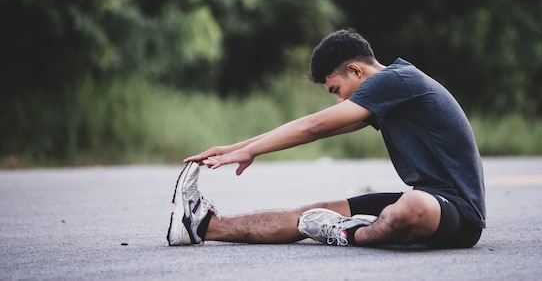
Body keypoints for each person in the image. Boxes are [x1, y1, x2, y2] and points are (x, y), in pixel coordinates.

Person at [167, 29, 486, 248]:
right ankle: (204, 226)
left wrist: (249, 151)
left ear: (356, 71)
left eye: (336, 90)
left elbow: (314, 126)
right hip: (431, 201)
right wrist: (237, 148)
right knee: (314, 214)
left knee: (411, 205)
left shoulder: (397, 81)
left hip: (458, 214)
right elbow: (320, 129)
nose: (339, 101)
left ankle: (353, 234)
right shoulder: (387, 96)